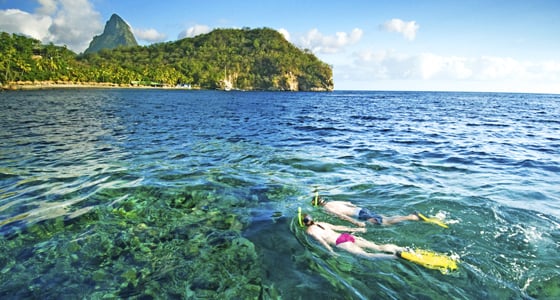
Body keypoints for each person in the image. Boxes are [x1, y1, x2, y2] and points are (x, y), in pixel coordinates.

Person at [302, 214, 403, 259]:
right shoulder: (321, 223)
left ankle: (395, 257)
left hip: (340, 242)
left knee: (367, 256)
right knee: (378, 247)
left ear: (303, 223)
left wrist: (331, 251)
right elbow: (339, 227)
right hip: (345, 236)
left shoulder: (309, 231)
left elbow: (321, 241)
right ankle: (400, 248)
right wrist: (355, 229)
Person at [311, 194, 420, 227]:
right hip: (361, 209)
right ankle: (407, 218)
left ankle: (411, 217)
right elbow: (349, 203)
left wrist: (355, 222)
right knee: (384, 218)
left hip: (360, 215)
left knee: (384, 222)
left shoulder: (327, 209)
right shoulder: (333, 202)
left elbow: (342, 216)